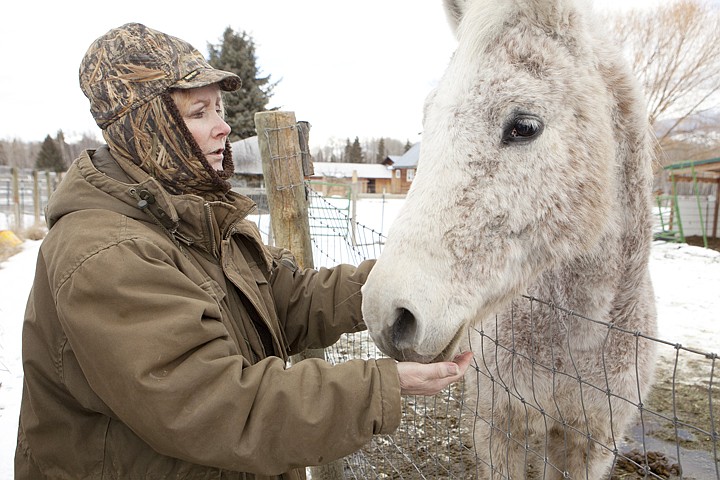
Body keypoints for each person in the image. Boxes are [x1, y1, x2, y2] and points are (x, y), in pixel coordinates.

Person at [14, 23, 472, 479]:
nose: (223, 127)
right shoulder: (106, 254)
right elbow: (216, 408)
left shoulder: (190, 216)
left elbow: (286, 300)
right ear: (148, 126)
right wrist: (385, 386)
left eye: (219, 107)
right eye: (199, 113)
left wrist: (401, 282)